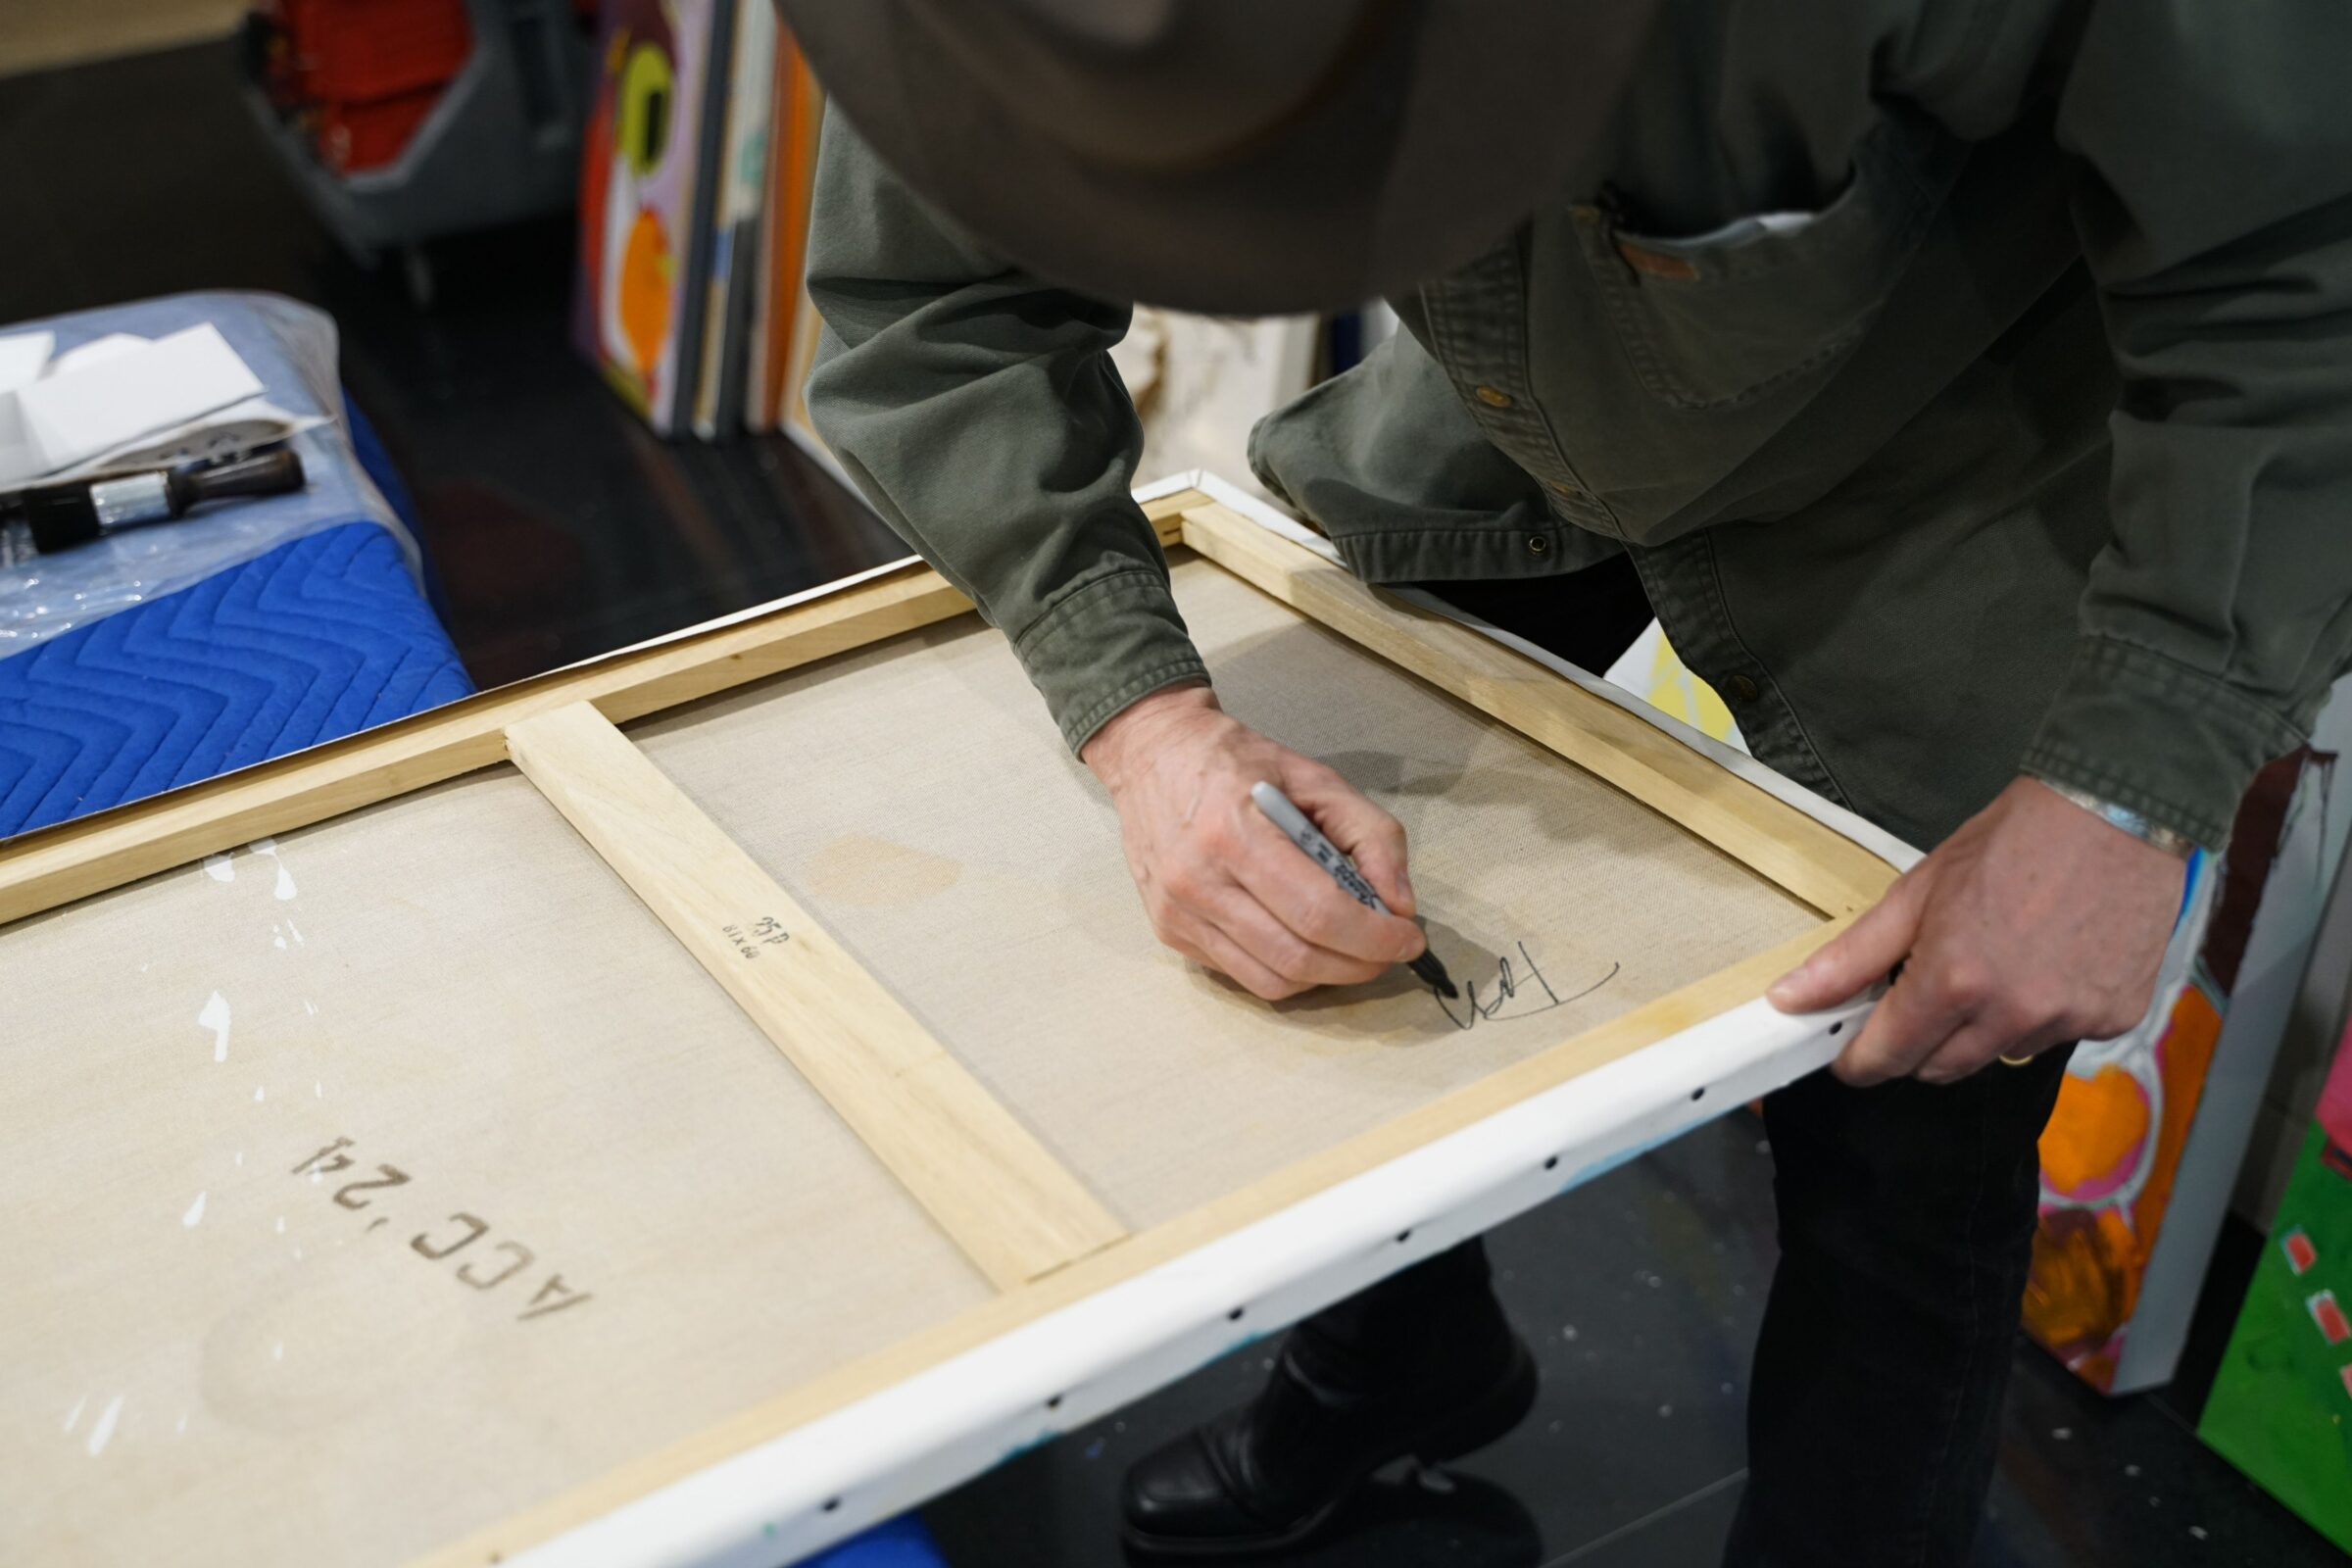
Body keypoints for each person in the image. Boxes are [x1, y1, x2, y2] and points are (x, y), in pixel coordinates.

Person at [778, 0, 2352, 1561]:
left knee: (1912, 1096)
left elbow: (2299, 263)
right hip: (1525, 382)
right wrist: (1148, 719)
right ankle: (1403, 1358)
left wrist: (2129, 788)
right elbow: (933, 297)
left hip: (1960, 428)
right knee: (1325, 879)